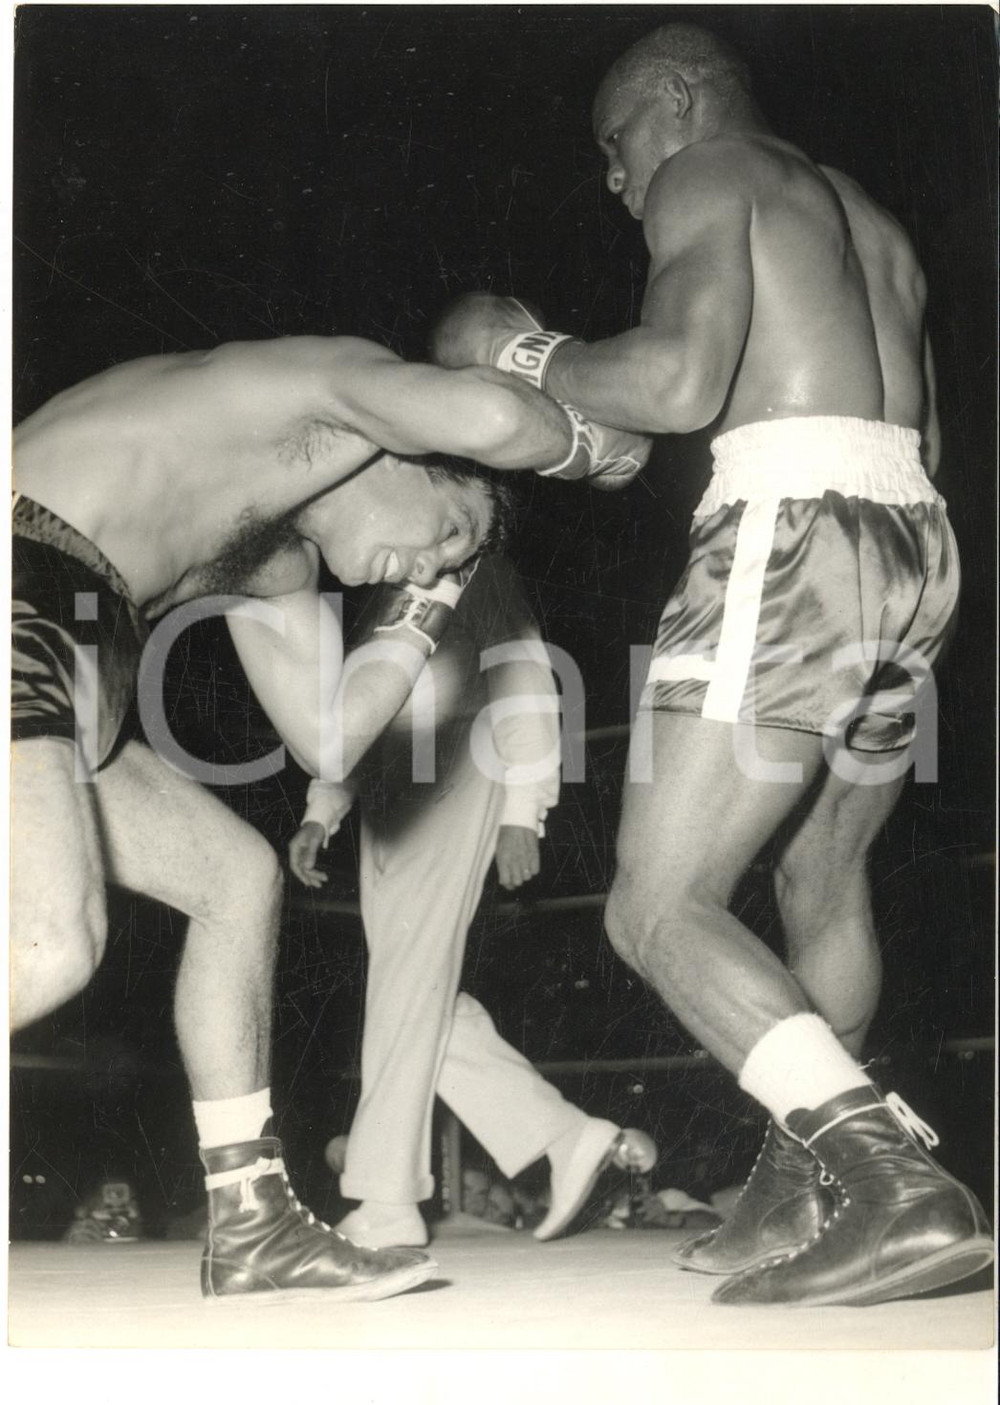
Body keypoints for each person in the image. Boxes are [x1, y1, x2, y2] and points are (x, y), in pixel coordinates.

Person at [429, 23, 993, 1306]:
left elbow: (680, 385)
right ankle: (803, 1190)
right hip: (916, 540)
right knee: (821, 869)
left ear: (674, 103)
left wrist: (519, 353)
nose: (617, 180)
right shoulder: (870, 219)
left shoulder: (710, 170)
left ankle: (888, 1181)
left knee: (653, 904)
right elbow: (925, 431)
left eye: (616, 144)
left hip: (793, 526)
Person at [11, 331, 649, 1304]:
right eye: (449, 530)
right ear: (408, 448)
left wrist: (433, 594)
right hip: (26, 576)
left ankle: (252, 1222)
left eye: (449, 567)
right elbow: (492, 416)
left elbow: (330, 735)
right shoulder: (318, 396)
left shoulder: (275, 564)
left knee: (235, 876)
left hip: (71, 663)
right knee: (47, 941)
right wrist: (595, 440)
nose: (429, 563)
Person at [289, 554, 656, 1250]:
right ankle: (568, 1135)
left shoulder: (473, 557)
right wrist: (323, 810)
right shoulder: (383, 585)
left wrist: (523, 810)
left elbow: (523, 679)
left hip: (462, 771)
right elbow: (357, 711)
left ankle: (386, 1196)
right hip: (388, 802)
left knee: (406, 985)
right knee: (420, 994)